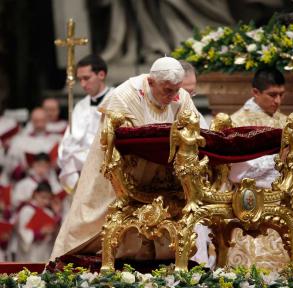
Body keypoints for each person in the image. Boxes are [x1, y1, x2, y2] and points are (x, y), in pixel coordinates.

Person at [49, 56, 202, 263]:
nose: (173, 96)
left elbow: (196, 128)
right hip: (121, 169)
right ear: (150, 81)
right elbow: (115, 141)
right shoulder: (124, 96)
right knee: (97, 218)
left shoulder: (180, 96)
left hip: (159, 174)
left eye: (177, 89)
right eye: (167, 90)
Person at [226, 68, 293, 271]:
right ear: (255, 92)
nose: (278, 101)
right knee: (246, 268)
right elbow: (232, 169)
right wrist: (275, 164)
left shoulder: (286, 122)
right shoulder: (236, 122)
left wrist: (291, 168)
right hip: (245, 206)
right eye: (272, 95)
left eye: (282, 95)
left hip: (280, 209)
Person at [57, 54, 114, 193]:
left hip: (109, 171)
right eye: (80, 79)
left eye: (86, 78)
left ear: (101, 74)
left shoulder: (116, 100)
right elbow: (68, 142)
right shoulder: (80, 106)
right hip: (83, 171)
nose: (82, 84)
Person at [1, 107, 62, 185]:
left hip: (51, 182)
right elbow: (11, 169)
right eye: (36, 121)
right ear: (31, 121)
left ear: (47, 120)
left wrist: (56, 165)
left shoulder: (57, 140)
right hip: (27, 183)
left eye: (42, 120)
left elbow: (64, 168)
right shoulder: (19, 141)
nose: (39, 124)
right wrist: (23, 168)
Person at [11, 181, 61, 262]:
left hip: (43, 251)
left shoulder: (49, 213)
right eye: (43, 197)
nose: (46, 201)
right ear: (35, 194)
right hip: (29, 253)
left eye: (48, 199)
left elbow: (55, 237)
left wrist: (57, 215)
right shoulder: (26, 210)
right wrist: (39, 232)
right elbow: (23, 234)